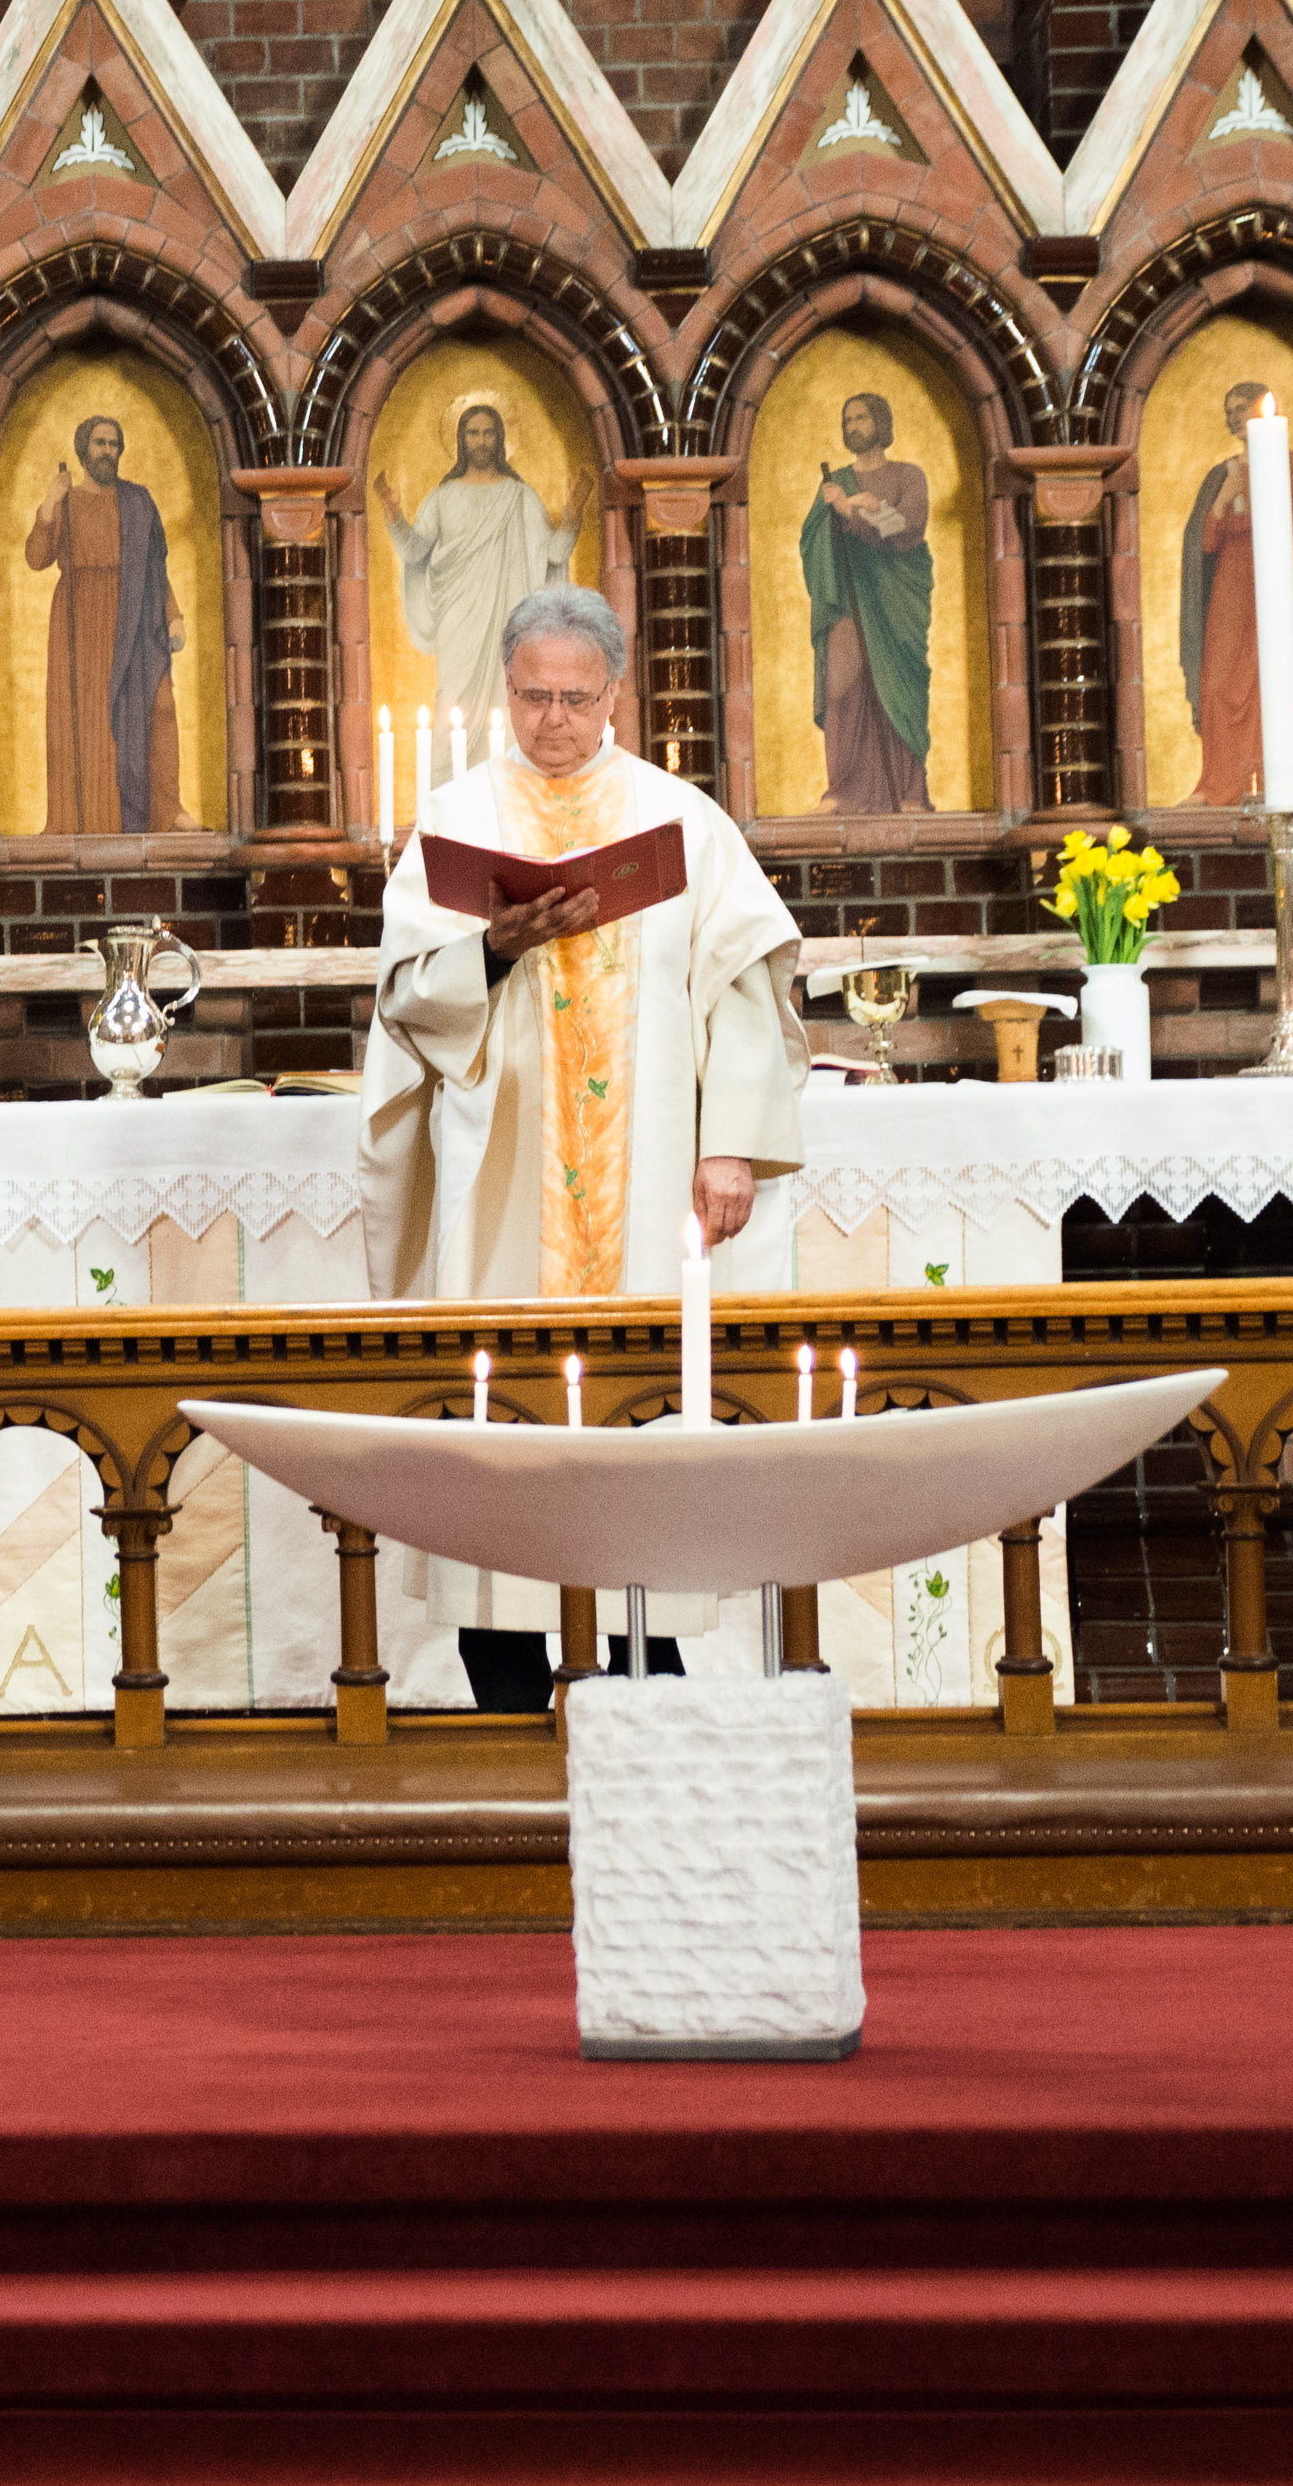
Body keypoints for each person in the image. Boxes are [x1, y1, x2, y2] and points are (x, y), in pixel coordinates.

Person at [359, 586, 810, 1711]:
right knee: (498, 1420)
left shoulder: (681, 823)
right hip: (498, 1178)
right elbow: (409, 1003)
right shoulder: (458, 822)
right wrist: (494, 951)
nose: (552, 719)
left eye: (574, 697)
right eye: (531, 697)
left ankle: (643, 1673)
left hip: (651, 1180)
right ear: (503, 690)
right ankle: (503, 1686)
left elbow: (744, 991)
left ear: (616, 692)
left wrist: (731, 1147)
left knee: (641, 1423)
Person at [376, 399, 585, 730]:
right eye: (473, 433)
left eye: (488, 433)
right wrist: (393, 514)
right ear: (462, 440)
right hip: (457, 618)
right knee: (453, 698)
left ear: (499, 439)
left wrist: (573, 514)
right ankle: (448, 777)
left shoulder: (520, 497)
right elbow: (415, 551)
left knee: (507, 695)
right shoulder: (443, 498)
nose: (481, 441)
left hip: (507, 614)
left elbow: (555, 554)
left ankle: (510, 775)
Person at [1176, 380, 1293, 805]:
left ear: (1264, 409)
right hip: (1232, 586)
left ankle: (1277, 782)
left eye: (1242, 407)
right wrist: (1224, 499)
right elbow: (1203, 543)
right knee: (1217, 684)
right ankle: (1218, 784)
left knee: (1278, 681)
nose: (1234, 417)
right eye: (1228, 410)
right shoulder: (1222, 475)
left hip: (1287, 582)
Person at [25, 412, 187, 833]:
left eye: (113, 444)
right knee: (88, 722)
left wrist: (173, 616)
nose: (107, 451)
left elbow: (155, 567)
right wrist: (49, 501)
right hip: (78, 620)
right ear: (83, 450)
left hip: (134, 614)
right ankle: (85, 820)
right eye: (99, 443)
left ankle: (166, 812)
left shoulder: (137, 501)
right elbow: (37, 558)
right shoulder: (68, 501)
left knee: (159, 706)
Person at [803, 389, 934, 814]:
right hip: (845, 600)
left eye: (860, 418)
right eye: (847, 420)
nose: (852, 426)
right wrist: (829, 515)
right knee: (845, 687)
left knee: (900, 685)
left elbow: (908, 527)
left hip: (895, 600)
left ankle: (910, 791)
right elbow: (811, 542)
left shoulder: (908, 475)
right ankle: (842, 789)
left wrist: (856, 511)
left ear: (881, 422)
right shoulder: (834, 482)